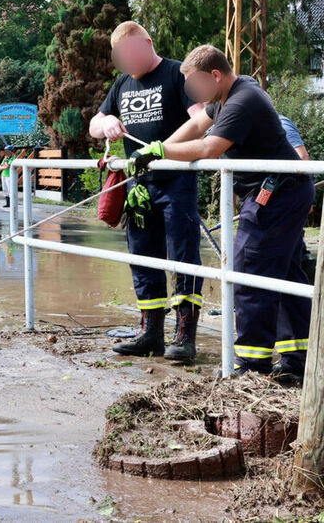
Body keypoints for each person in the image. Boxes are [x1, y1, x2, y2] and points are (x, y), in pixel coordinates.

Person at [129, 44, 311, 385]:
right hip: (280, 192)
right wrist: (155, 150)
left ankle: (251, 362)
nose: (192, 94)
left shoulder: (242, 100)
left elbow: (209, 147)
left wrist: (161, 150)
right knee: (283, 274)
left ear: (214, 75)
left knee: (248, 268)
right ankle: (295, 360)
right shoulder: (227, 93)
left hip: (277, 193)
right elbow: (197, 124)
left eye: (195, 85)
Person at [89, 21, 205, 363]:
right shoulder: (122, 84)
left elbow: (201, 118)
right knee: (142, 258)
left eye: (129, 53)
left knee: (183, 258)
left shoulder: (176, 75)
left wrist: (162, 148)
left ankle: (184, 336)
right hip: (138, 187)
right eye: (119, 57)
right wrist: (106, 124)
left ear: (147, 43)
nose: (125, 62)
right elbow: (95, 123)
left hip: (176, 183)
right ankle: (150, 332)